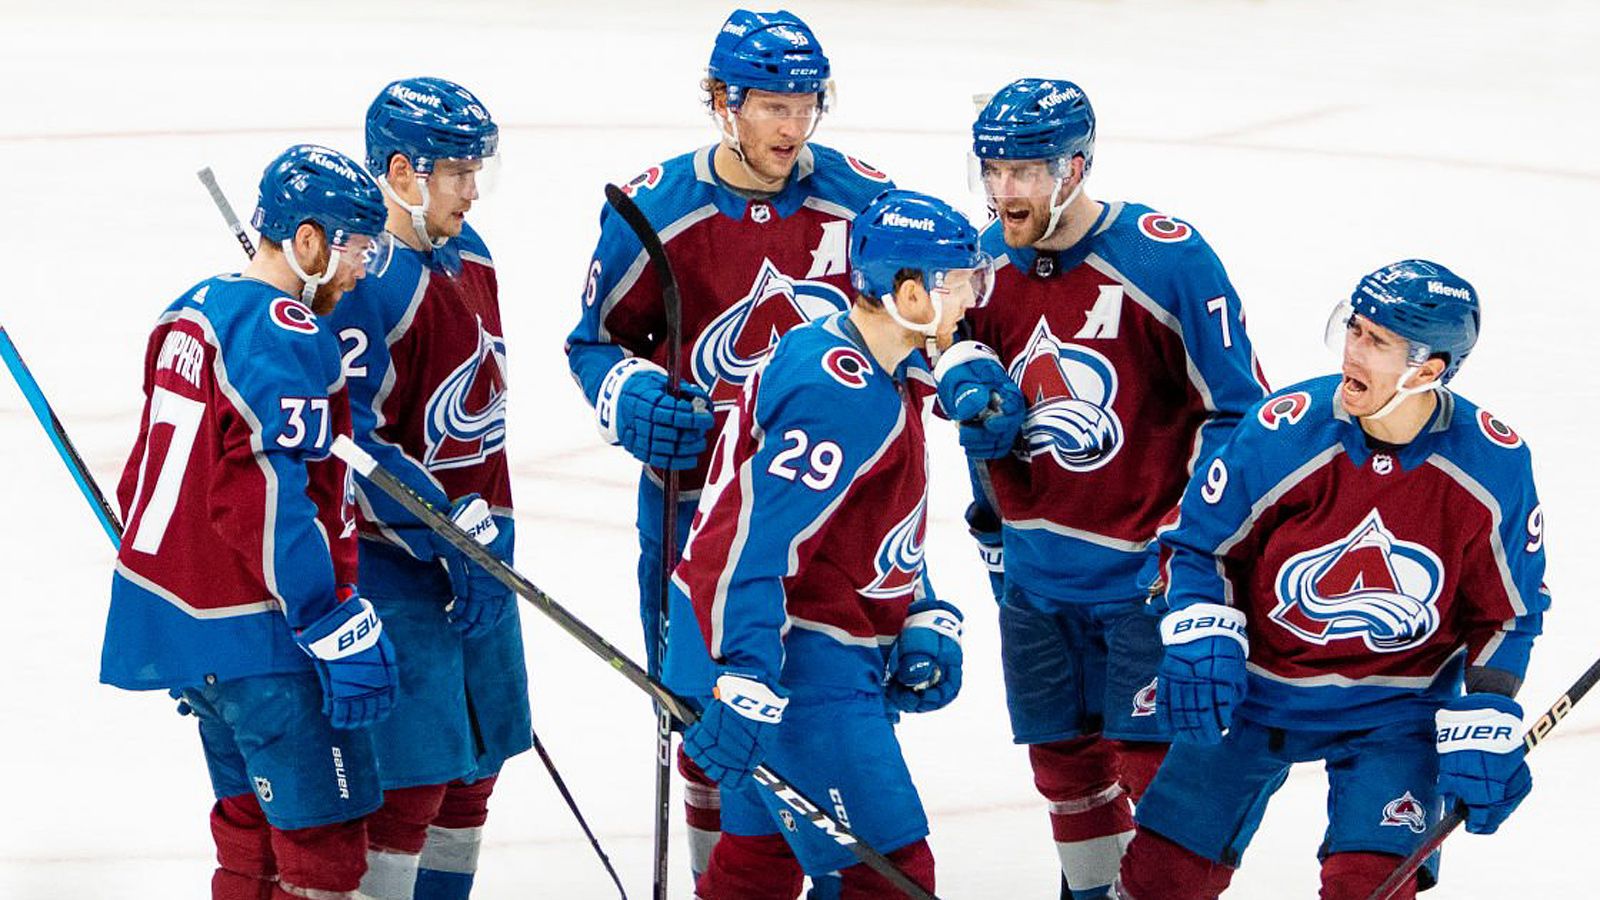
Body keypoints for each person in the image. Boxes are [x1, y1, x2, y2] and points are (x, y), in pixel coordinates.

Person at [564, 7, 894, 879]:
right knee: (705, 725)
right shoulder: (655, 209)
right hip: (697, 517)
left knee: (836, 707)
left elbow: (912, 333)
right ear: (723, 102)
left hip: (834, 517)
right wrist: (630, 395)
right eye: (774, 106)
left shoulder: (863, 202)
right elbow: (594, 343)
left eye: (807, 105)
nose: (793, 126)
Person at [933, 77, 1270, 899]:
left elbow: (1239, 413)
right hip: (1034, 579)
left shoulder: (1165, 258)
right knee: (1065, 770)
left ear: (1075, 168)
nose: (1004, 190)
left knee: (1159, 778)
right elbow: (922, 339)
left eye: (1025, 170)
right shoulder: (979, 263)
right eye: (993, 170)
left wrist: (1188, 545)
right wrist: (960, 370)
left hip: (1142, 578)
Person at [1114, 260, 1547, 900]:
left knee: (1369, 888)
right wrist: (1203, 630)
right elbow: (1197, 545)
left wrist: (1488, 708)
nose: (1353, 351)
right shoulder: (1284, 431)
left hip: (1395, 712)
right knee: (1160, 879)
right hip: (1253, 693)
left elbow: (1507, 613)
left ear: (1429, 369)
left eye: (1378, 341)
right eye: (1354, 328)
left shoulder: (1492, 465)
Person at [662, 188, 988, 900]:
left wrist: (918, 607)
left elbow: (851, 522)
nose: (971, 299)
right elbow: (748, 541)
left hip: (793, 651)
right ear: (910, 292)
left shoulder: (874, 366)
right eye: (960, 282)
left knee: (759, 864)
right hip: (793, 666)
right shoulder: (838, 391)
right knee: (886, 880)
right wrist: (747, 675)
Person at [100, 144, 396, 900]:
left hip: (191, 632)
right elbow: (266, 498)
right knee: (323, 849)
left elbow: (145, 476)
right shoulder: (286, 333)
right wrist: (326, 617)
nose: (363, 270)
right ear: (309, 241)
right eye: (359, 249)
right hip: (265, 636)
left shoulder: (190, 309)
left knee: (248, 836)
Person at [323, 76, 531, 900]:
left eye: (478, 170)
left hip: (479, 551)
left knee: (476, 769)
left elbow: (484, 419)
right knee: (410, 785)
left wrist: (490, 536)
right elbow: (350, 442)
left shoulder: (470, 253)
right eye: (457, 172)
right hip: (393, 565)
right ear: (403, 171)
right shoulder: (364, 279)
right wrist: (445, 531)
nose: (472, 190)